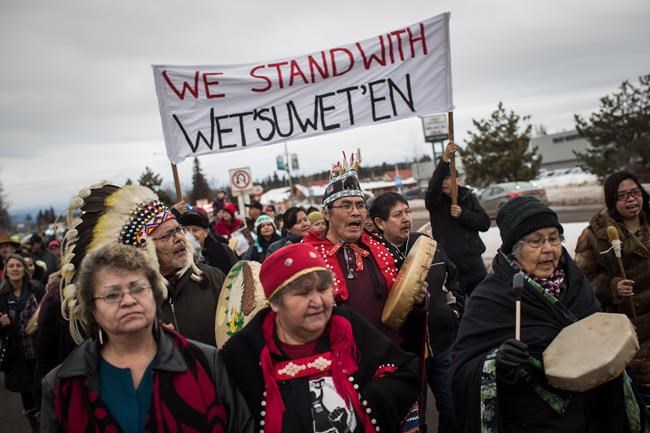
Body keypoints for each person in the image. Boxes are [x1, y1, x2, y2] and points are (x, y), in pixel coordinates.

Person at [452, 196, 647, 432]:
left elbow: (597, 329)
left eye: (554, 238)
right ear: (514, 249)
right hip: (536, 422)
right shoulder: (491, 298)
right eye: (536, 241)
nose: (548, 249)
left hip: (597, 415)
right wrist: (496, 363)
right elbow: (462, 371)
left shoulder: (576, 283)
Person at [41, 243, 253, 433]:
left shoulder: (207, 364)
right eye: (112, 295)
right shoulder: (63, 386)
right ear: (93, 309)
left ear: (155, 295)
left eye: (138, 288)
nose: (128, 300)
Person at [221, 243, 420, 433]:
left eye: (323, 289)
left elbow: (406, 371)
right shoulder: (243, 352)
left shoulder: (349, 325)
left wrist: (369, 401)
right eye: (303, 293)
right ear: (274, 302)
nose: (317, 302)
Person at [60, 184, 225, 346]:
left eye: (179, 229)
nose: (179, 238)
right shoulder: (130, 301)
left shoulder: (212, 279)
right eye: (167, 235)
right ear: (144, 249)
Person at [303, 152, 427, 351]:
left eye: (360, 205)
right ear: (326, 213)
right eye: (346, 205)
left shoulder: (384, 248)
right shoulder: (308, 257)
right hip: (344, 359)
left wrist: (417, 301)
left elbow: (404, 310)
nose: (355, 212)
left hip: (392, 354)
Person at [370, 192, 463, 433]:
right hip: (407, 355)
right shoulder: (374, 258)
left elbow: (452, 280)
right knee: (414, 420)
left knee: (453, 409)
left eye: (408, 212)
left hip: (443, 345)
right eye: (397, 215)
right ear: (380, 223)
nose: (406, 219)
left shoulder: (426, 245)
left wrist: (453, 312)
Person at [575, 171, 650, 405]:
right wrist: (612, 287)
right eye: (623, 195)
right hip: (624, 323)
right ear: (611, 200)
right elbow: (583, 278)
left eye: (635, 192)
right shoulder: (595, 235)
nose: (631, 199)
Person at [424, 142, 490, 296]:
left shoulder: (468, 197)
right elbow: (434, 186)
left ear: (458, 180)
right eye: (443, 180)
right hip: (452, 266)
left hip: (474, 264)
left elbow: (484, 223)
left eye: (449, 178)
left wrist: (463, 214)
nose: (445, 183)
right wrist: (445, 158)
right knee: (458, 308)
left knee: (482, 302)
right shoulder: (436, 202)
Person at [0, 254, 44, 432]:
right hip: (17, 354)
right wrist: (3, 326)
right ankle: (35, 424)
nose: (15, 269)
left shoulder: (36, 290)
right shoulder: (1, 296)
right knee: (26, 392)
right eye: (11, 266)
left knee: (42, 388)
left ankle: (45, 421)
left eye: (18, 265)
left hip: (39, 349)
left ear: (24, 270)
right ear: (6, 271)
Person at [178, 208, 237, 275]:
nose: (190, 234)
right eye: (185, 230)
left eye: (195, 230)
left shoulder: (223, 250)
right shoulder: (178, 257)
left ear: (206, 232)